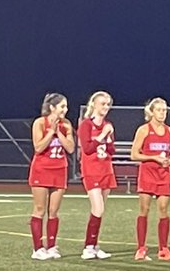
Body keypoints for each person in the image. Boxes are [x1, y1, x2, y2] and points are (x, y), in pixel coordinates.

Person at [130, 97, 170, 261]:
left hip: (164, 175)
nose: (162, 113)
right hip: (147, 174)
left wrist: (168, 161)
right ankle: (141, 248)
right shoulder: (143, 130)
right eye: (159, 110)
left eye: (164, 110)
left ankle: (163, 248)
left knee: (164, 210)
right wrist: (154, 158)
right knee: (144, 210)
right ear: (151, 112)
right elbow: (134, 154)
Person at [28, 93, 75, 260]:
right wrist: (51, 132)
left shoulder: (67, 124)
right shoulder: (40, 123)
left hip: (59, 169)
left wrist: (59, 133)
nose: (66, 109)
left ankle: (52, 246)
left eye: (66, 106)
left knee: (54, 211)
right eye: (62, 106)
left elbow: (70, 148)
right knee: (40, 209)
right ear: (52, 108)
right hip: (41, 169)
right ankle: (37, 248)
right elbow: (38, 147)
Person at [77, 90, 116, 260]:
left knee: (99, 210)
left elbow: (112, 150)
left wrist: (108, 138)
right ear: (93, 104)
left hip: (106, 169)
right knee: (97, 209)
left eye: (108, 104)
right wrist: (102, 135)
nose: (106, 107)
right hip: (91, 170)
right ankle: (88, 246)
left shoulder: (108, 124)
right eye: (103, 103)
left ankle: (94, 245)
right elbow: (87, 149)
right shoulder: (86, 124)